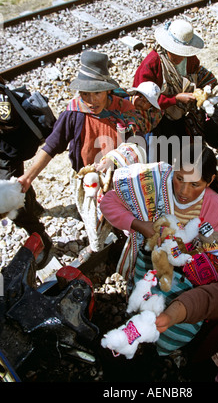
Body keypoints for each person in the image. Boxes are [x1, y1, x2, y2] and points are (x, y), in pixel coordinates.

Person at [100, 144, 218, 356]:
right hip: (148, 264)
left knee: (173, 323)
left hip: (188, 282)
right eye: (179, 178)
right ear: (171, 170)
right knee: (142, 307)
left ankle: (157, 350)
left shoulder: (215, 208)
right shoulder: (155, 182)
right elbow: (108, 201)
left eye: (195, 184)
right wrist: (139, 225)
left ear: (209, 181)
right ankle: (140, 339)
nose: (184, 191)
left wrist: (188, 253)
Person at [18, 51, 147, 261]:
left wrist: (113, 158)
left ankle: (128, 246)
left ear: (107, 90)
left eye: (96, 93)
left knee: (128, 218)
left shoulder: (124, 109)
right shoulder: (74, 112)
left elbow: (138, 144)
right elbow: (51, 146)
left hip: (122, 176)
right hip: (90, 178)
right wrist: (28, 177)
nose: (91, 100)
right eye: (85, 93)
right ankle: (102, 244)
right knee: (96, 217)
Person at [132, 19, 218, 161]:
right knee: (160, 154)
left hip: (180, 115)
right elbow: (142, 99)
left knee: (184, 148)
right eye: (176, 53)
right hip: (159, 119)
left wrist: (204, 91)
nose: (180, 57)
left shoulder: (190, 60)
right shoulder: (152, 63)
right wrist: (176, 99)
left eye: (183, 53)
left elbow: (198, 73)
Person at [0, 75, 53, 269]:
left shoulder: (1, 99)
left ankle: (40, 237)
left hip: (7, 154)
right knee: (19, 187)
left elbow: (9, 122)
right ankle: (34, 206)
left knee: (11, 200)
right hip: (5, 152)